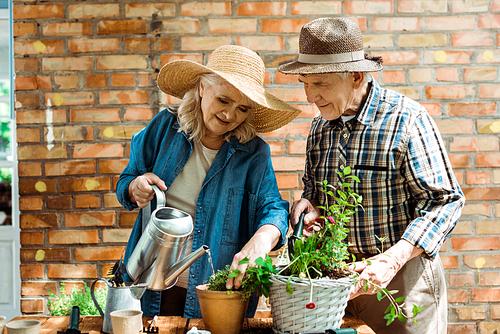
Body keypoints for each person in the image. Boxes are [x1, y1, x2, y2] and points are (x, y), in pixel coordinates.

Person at [279, 17, 465, 334]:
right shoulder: (319, 128)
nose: (310, 97)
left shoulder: (407, 119)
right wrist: (309, 206)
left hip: (402, 287)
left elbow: (445, 202)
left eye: (320, 84)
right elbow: (316, 194)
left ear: (356, 75)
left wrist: (392, 259)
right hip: (337, 286)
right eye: (305, 84)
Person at [117, 45, 301, 319]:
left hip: (216, 288)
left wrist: (261, 241)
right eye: (223, 100)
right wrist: (136, 188)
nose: (230, 115)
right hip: (150, 283)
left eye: (242, 108)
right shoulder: (164, 128)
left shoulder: (253, 153)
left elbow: (273, 208)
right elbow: (127, 180)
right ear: (202, 87)